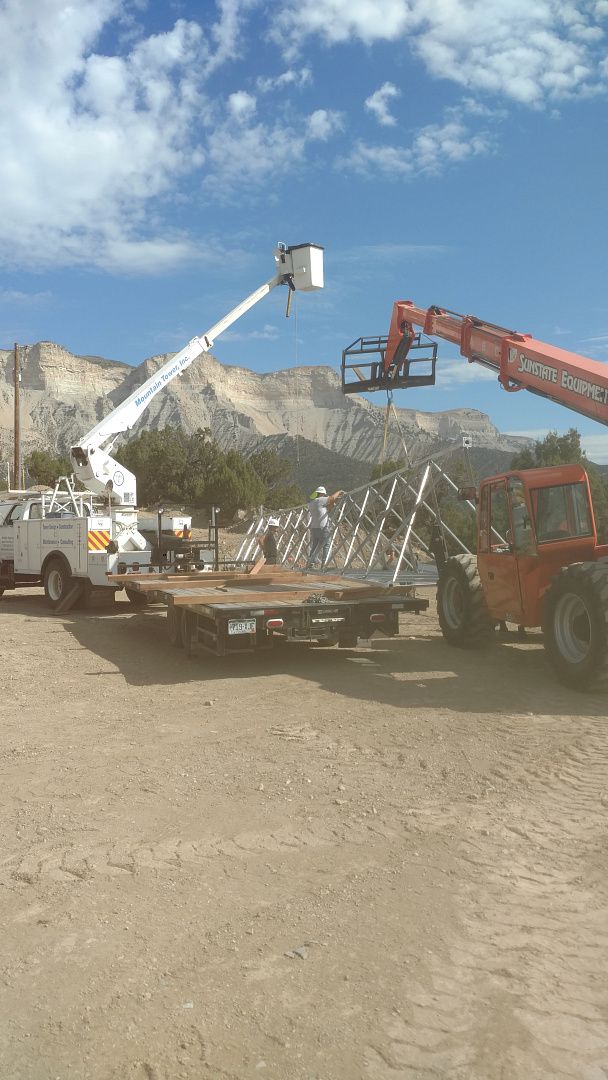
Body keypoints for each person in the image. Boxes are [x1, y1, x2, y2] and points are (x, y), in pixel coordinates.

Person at [306, 486, 344, 570]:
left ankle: (310, 564)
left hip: (314, 527)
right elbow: (332, 498)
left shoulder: (312, 502)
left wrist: (331, 504)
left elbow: (326, 508)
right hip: (322, 527)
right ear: (322, 494)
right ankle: (324, 565)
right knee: (326, 544)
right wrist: (339, 491)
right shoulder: (321, 500)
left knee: (315, 546)